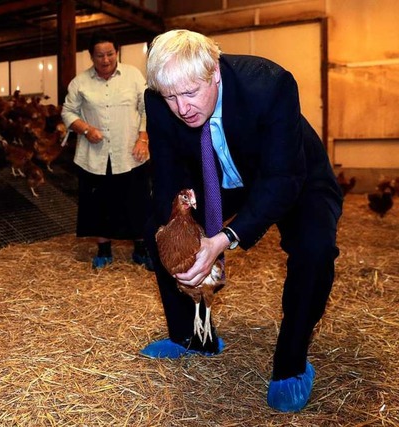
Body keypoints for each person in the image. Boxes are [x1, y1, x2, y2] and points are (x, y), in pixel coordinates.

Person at [140, 29, 343, 412]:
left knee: (314, 250)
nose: (181, 108)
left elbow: (283, 179)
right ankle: (191, 337)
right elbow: (166, 171)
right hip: (216, 174)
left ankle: (291, 364)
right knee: (158, 228)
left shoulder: (270, 85)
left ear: (214, 72)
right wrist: (175, 227)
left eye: (189, 93)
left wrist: (224, 238)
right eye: (170, 97)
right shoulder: (158, 98)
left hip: (291, 172)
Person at [61, 29, 153, 270]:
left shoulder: (133, 76)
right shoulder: (80, 83)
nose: (105, 60)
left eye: (110, 54)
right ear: (91, 56)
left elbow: (147, 108)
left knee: (137, 202)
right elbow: (67, 112)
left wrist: (143, 138)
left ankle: (141, 250)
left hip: (130, 152)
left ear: (117, 52)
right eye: (99, 55)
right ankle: (104, 251)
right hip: (95, 155)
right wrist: (85, 129)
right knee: (99, 204)